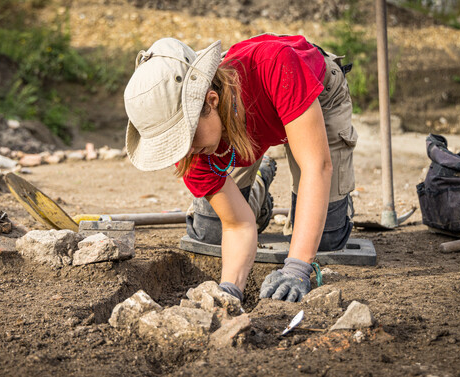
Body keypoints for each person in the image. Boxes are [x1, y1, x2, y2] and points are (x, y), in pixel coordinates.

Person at [123, 34, 357, 302]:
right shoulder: (189, 149)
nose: (183, 152)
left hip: (314, 90)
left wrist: (297, 267)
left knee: (325, 239)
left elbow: (317, 166)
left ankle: (335, 204)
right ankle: (260, 186)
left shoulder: (275, 65)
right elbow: (237, 225)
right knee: (210, 233)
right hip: (242, 120)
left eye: (184, 137)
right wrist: (229, 291)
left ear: (210, 101)